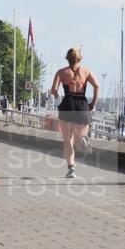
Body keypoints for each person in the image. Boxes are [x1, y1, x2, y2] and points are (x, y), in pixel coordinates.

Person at [49, 47, 99, 178]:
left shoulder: (61, 72)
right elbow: (97, 86)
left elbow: (53, 90)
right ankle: (83, 141)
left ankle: (71, 169)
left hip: (67, 104)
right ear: (79, 58)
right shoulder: (86, 72)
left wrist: (56, 96)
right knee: (79, 141)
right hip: (82, 104)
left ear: (67, 58)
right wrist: (93, 103)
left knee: (67, 140)